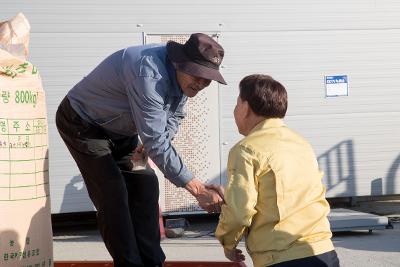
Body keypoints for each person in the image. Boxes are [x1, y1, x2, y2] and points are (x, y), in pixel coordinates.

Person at [55, 33, 226, 267]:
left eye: (207, 80)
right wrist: (197, 188)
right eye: (197, 76)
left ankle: (152, 261)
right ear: (180, 63)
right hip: (82, 122)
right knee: (112, 193)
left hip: (121, 129)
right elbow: (156, 139)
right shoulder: (148, 73)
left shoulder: (183, 81)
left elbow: (173, 116)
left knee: (145, 183)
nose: (201, 84)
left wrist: (149, 144)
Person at [215, 74, 339, 267]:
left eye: (237, 103)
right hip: (323, 253)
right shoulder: (301, 143)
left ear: (245, 108)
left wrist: (227, 242)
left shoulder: (246, 149)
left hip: (281, 257)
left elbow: (240, 212)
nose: (235, 110)